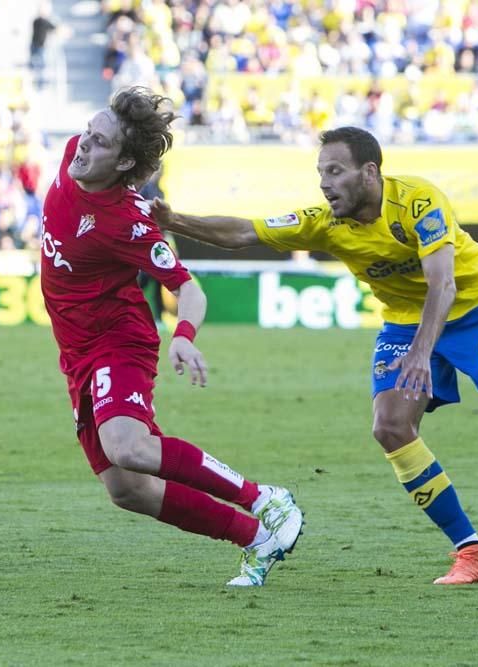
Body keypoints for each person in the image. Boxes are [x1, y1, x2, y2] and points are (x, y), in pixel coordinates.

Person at [152, 126, 478, 584]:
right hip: (406, 321)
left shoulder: (419, 201)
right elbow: (245, 232)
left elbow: (442, 285)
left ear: (369, 172)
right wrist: (174, 219)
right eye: (320, 173)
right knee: (391, 426)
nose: (324, 183)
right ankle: (471, 554)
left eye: (335, 171)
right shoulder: (324, 222)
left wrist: (422, 355)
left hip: (475, 307)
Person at [40, 87, 303, 587]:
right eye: (88, 133)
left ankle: (263, 498)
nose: (83, 146)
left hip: (118, 341)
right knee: (127, 490)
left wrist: (183, 335)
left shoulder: (129, 221)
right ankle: (255, 537)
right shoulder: (72, 154)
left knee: (129, 447)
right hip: (75, 351)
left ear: (122, 165)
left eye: (99, 143)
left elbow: (189, 290)